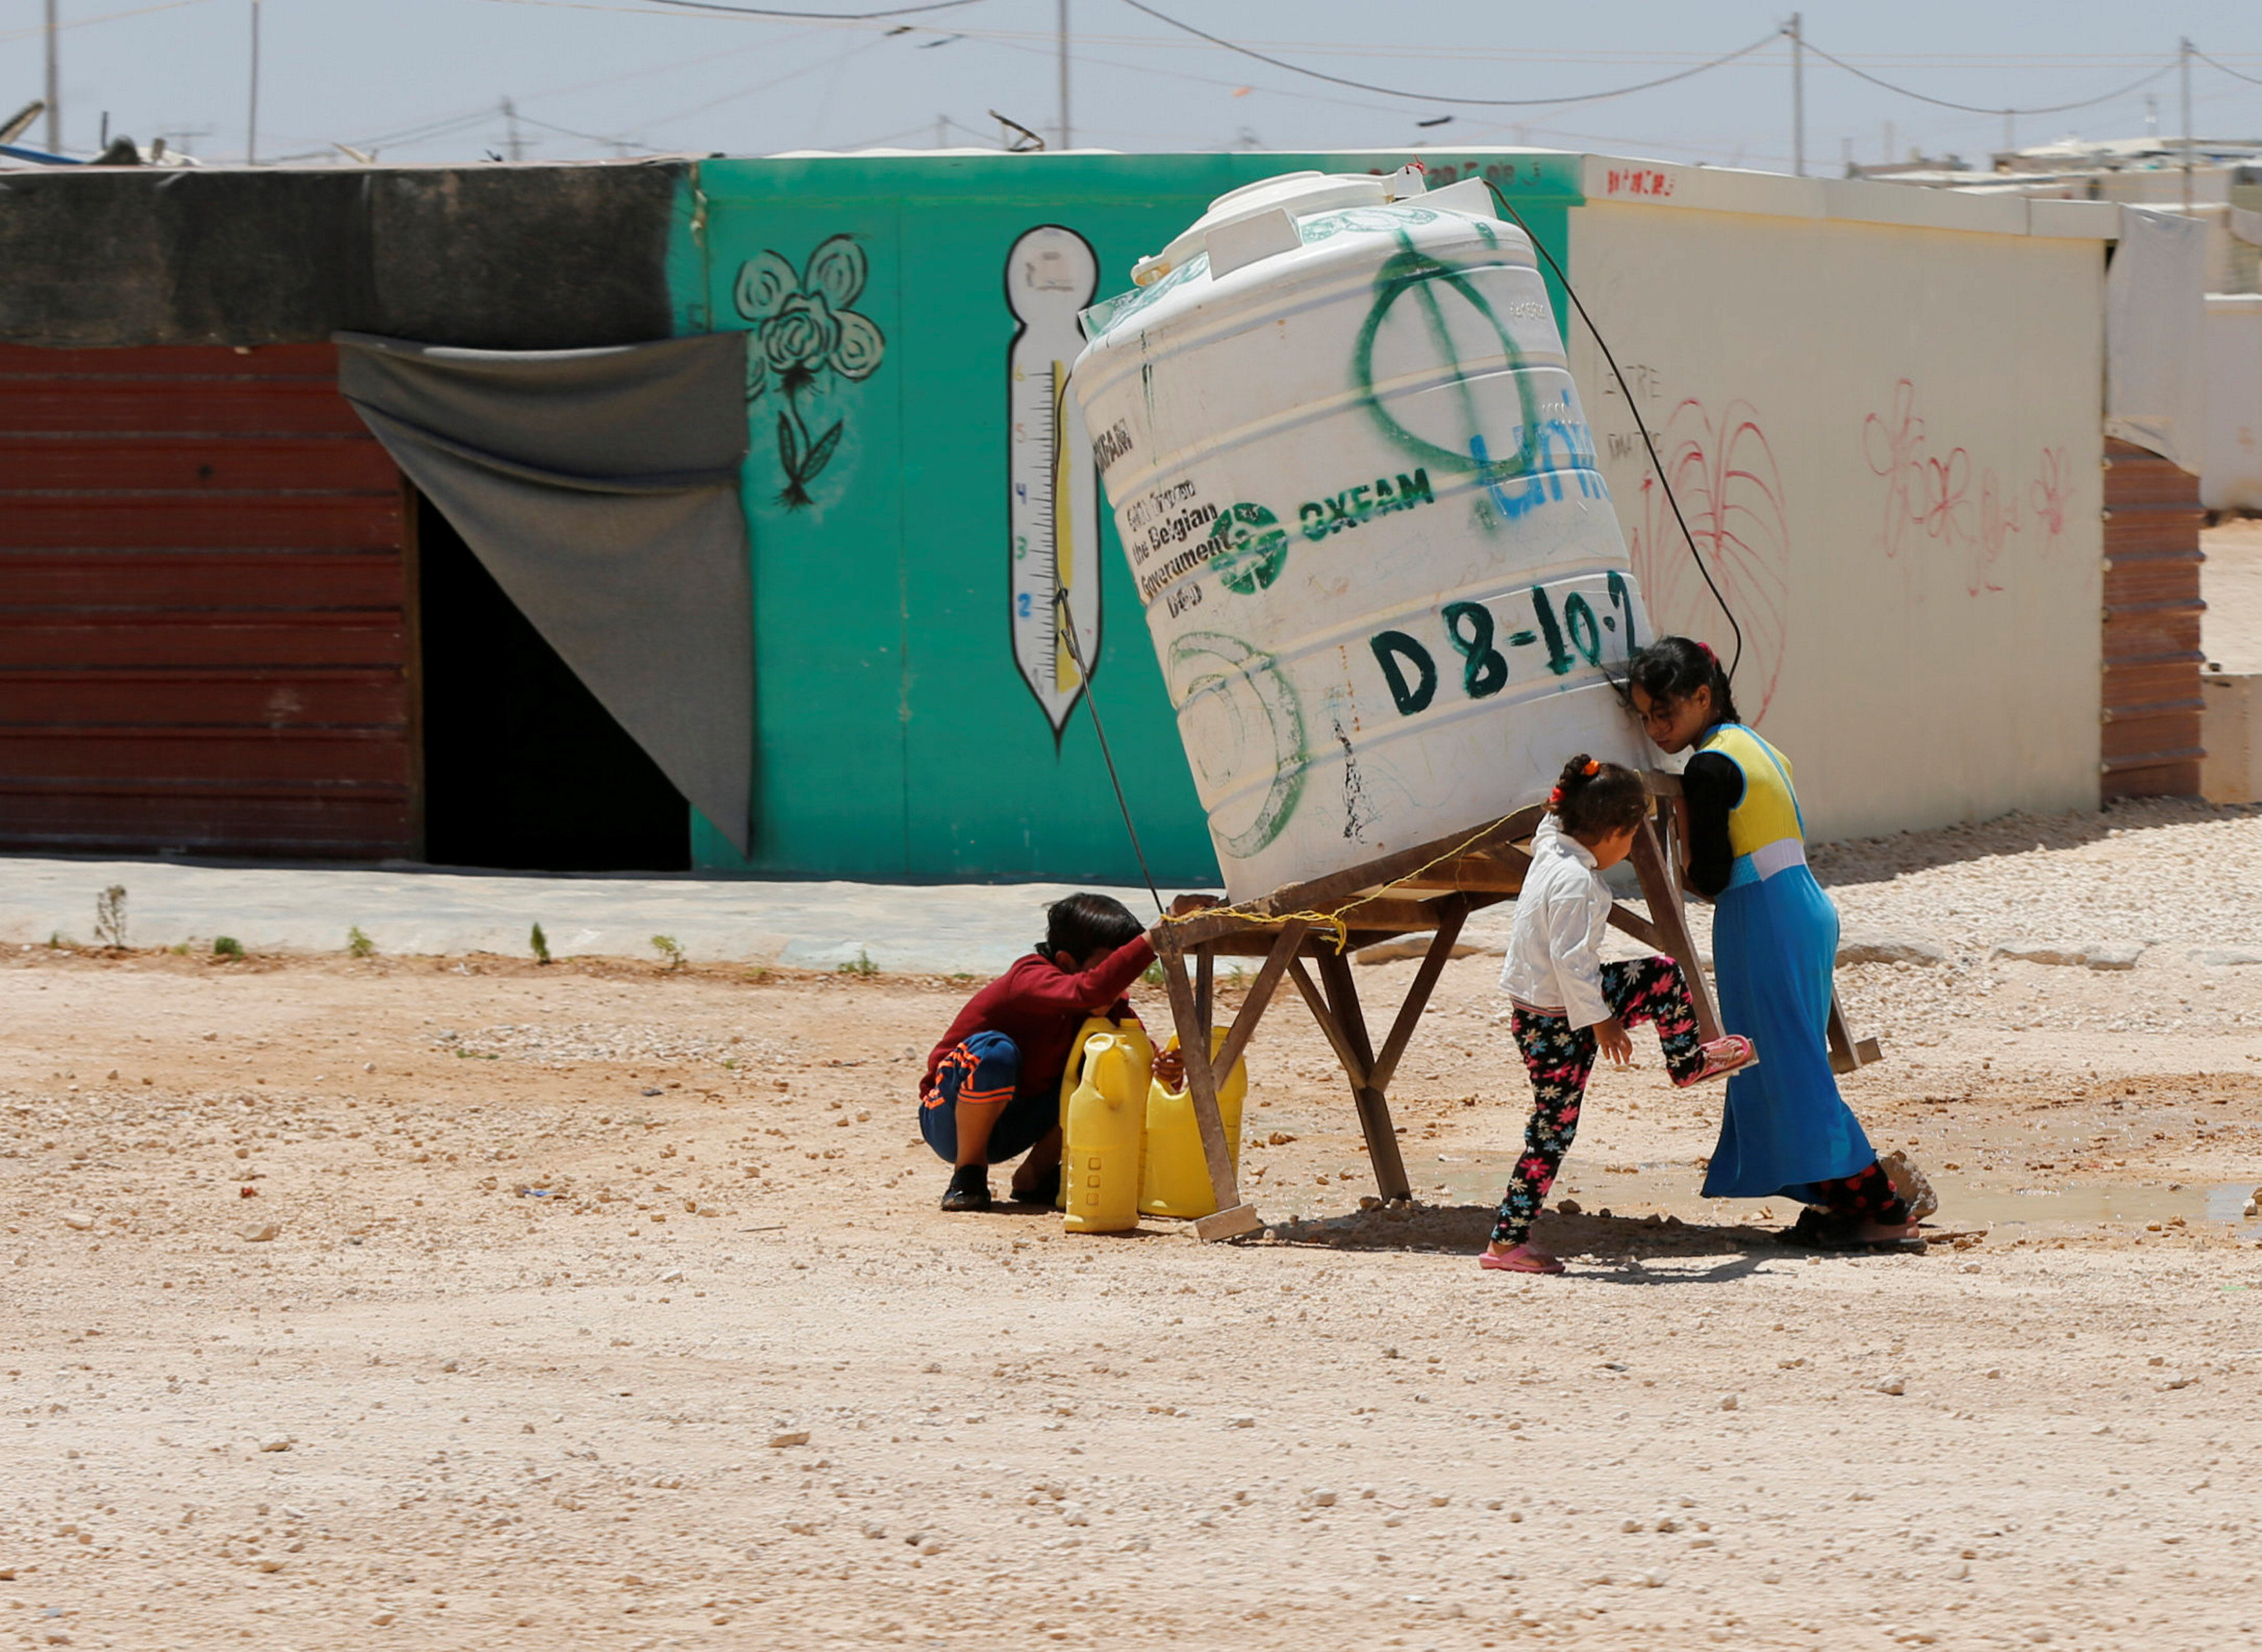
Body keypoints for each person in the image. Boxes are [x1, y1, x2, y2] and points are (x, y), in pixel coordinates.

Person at [1623, 635, 1917, 1247]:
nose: (1655, 728)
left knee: (1788, 1071)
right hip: (1803, 905)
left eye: (1665, 713)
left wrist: (1675, 833)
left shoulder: (1706, 767)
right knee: (1788, 1063)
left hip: (1759, 915)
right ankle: (1839, 1204)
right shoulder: (1758, 746)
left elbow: (1708, 876)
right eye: (1645, 716)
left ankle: (1884, 1206)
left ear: (1702, 697)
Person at [1485, 755, 1757, 1275]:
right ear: (1612, 832)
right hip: (1563, 1020)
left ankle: (1506, 1242)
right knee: (1662, 976)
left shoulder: (1550, 846)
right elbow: (1572, 963)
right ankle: (1687, 1063)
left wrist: (1577, 784)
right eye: (1632, 836)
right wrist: (1603, 1022)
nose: (1632, 849)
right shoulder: (1575, 883)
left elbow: (1554, 816)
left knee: (1551, 1130)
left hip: (1536, 1017)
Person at [920, 891, 1200, 1213]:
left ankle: (1035, 1177)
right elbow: (1091, 988)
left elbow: (1138, 1063)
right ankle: (968, 1175)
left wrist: (1163, 1069)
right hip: (950, 1116)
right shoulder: (1029, 978)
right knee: (996, 1053)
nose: (1114, 984)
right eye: (1107, 970)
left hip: (1020, 1121)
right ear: (1066, 962)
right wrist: (1158, 934)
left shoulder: (1104, 1006)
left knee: (1108, 1062)